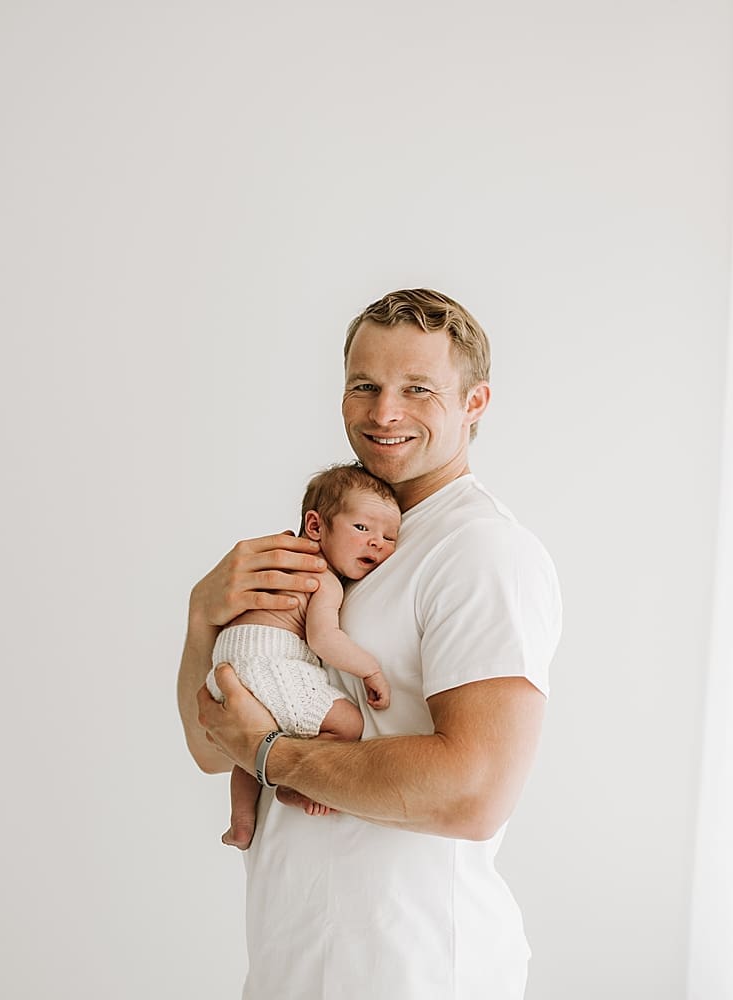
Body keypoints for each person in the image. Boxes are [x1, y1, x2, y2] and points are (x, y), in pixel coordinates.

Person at [176, 288, 562, 999]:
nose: (384, 413)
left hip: (414, 970)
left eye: (418, 389)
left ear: (474, 403)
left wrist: (271, 755)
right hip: (294, 962)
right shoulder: (338, 544)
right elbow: (211, 746)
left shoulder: (481, 552)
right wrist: (203, 617)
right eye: (365, 386)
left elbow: (475, 793)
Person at [206, 462, 401, 849]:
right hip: (270, 664)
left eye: (389, 536)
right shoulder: (322, 578)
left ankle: (241, 822)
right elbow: (324, 638)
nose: (377, 542)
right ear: (315, 526)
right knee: (348, 725)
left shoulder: (275, 561)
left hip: (226, 667)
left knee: (247, 748)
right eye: (362, 528)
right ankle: (296, 784)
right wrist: (370, 670)